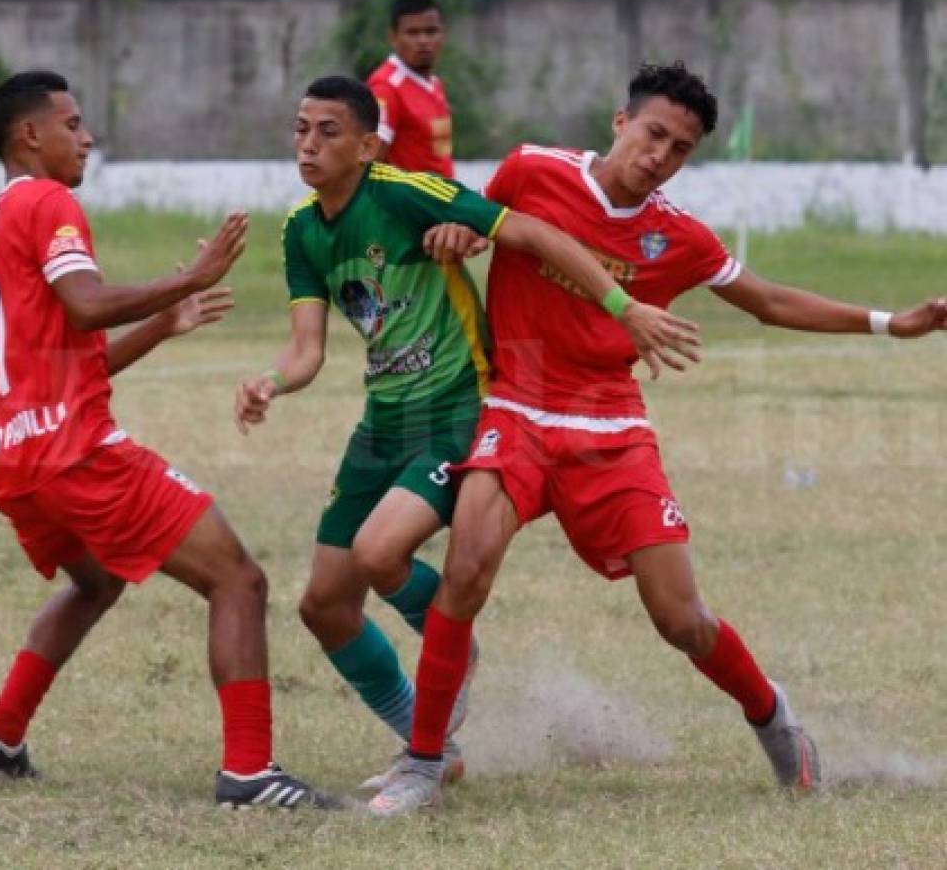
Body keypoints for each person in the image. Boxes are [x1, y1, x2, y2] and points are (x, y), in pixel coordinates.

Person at [366, 61, 947, 815]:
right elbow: (476, 220)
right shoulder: (530, 170)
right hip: (518, 405)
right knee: (467, 566)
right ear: (619, 122)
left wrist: (887, 322)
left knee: (680, 618)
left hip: (611, 426)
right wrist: (458, 232)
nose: (659, 156)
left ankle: (773, 717)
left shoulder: (673, 235)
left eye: (678, 148)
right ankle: (423, 759)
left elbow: (766, 300)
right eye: (652, 134)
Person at [233, 75, 700, 791]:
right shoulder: (301, 228)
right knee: (322, 604)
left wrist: (619, 303)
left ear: (365, 146)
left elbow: (533, 231)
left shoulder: (400, 190)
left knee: (379, 553)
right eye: (300, 128)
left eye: (328, 131)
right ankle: (429, 739)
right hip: (382, 419)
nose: (308, 144)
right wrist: (271, 382)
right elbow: (307, 349)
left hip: (457, 408)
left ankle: (453, 646)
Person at [0, 70, 333, 809]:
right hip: (75, 454)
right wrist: (186, 278)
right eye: (71, 123)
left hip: (15, 459)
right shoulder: (48, 200)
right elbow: (87, 303)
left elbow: (71, 355)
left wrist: (162, 323)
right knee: (239, 580)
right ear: (29, 135)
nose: (86, 135)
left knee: (94, 582)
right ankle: (250, 773)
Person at [367, 0, 453, 176]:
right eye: (412, 33)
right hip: (410, 203)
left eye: (431, 32)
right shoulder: (386, 87)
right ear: (393, 38)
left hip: (441, 201)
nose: (423, 41)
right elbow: (371, 161)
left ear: (442, 35)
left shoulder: (435, 84)